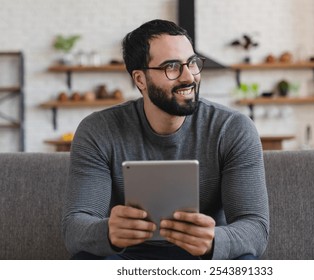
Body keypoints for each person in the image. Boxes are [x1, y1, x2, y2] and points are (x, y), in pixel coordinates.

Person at [62, 19, 269, 260]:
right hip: (126, 258)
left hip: (206, 257)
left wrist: (214, 240)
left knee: (246, 262)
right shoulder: (98, 130)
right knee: (84, 261)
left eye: (192, 63)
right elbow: (74, 228)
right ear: (140, 79)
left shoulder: (233, 129)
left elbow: (256, 228)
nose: (188, 77)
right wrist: (107, 232)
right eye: (171, 67)